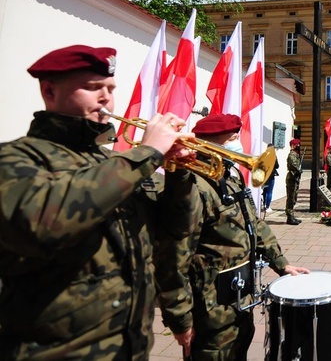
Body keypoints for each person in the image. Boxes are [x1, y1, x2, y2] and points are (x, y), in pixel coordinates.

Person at [0, 45, 194, 359]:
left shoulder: (114, 163)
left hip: (129, 347)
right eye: (92, 88)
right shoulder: (17, 157)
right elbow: (44, 222)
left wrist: (178, 174)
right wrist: (147, 154)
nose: (106, 98)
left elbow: (177, 229)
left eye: (110, 89)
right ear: (49, 91)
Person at [155, 114, 310, 360]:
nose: (239, 144)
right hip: (211, 314)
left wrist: (281, 263)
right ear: (213, 143)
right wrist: (181, 321)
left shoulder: (230, 177)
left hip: (238, 302)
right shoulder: (192, 187)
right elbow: (173, 259)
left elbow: (255, 225)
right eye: (234, 138)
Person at [286, 138, 303, 224]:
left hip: (295, 178)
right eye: (297, 145)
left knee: (294, 197)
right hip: (292, 178)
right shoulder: (292, 155)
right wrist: (299, 170)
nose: (298, 146)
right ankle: (290, 217)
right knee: (291, 198)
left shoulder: (296, 155)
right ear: (293, 145)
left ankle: (291, 216)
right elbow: (294, 165)